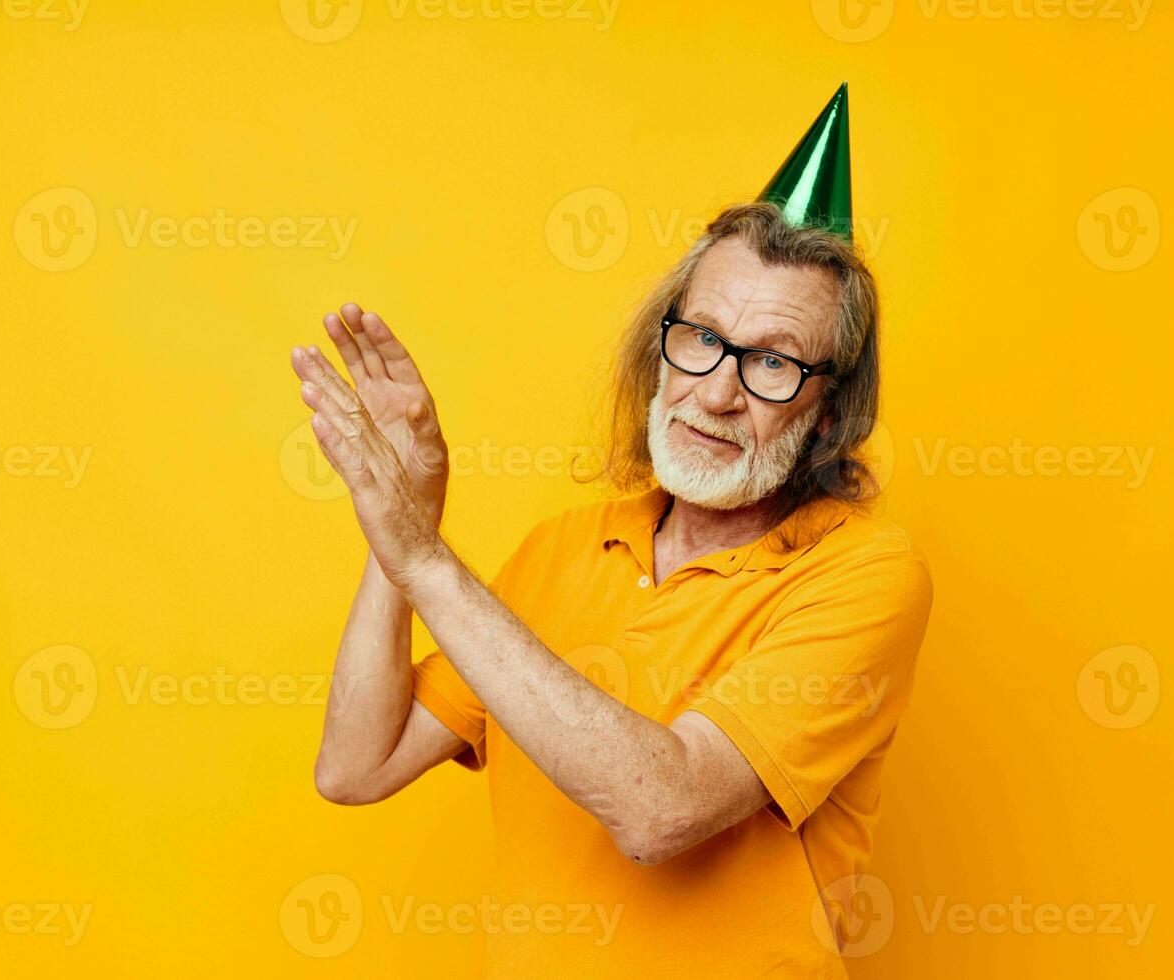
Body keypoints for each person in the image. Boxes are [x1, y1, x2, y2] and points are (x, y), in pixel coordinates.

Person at [289, 84, 933, 977]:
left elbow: (662, 809)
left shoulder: (864, 576)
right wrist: (400, 524)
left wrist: (427, 563)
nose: (717, 389)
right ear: (660, 345)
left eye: (775, 362)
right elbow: (356, 767)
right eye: (700, 337)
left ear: (830, 414)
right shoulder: (560, 550)